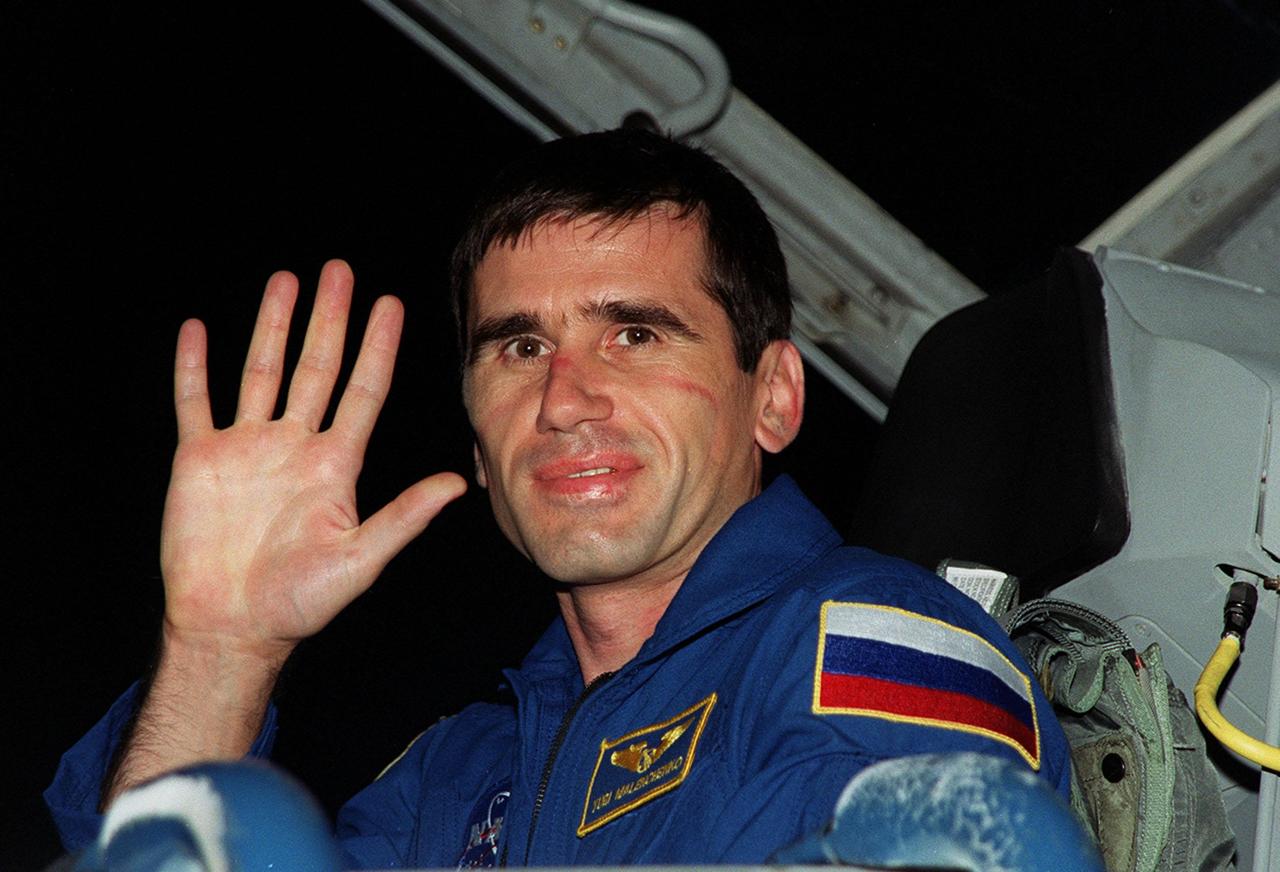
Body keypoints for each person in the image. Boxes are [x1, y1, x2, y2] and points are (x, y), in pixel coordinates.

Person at [47, 129, 1070, 866]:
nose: (563, 398)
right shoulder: (455, 773)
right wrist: (223, 647)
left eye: (634, 332)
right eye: (520, 346)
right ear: (481, 448)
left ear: (772, 397)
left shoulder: (861, 650)